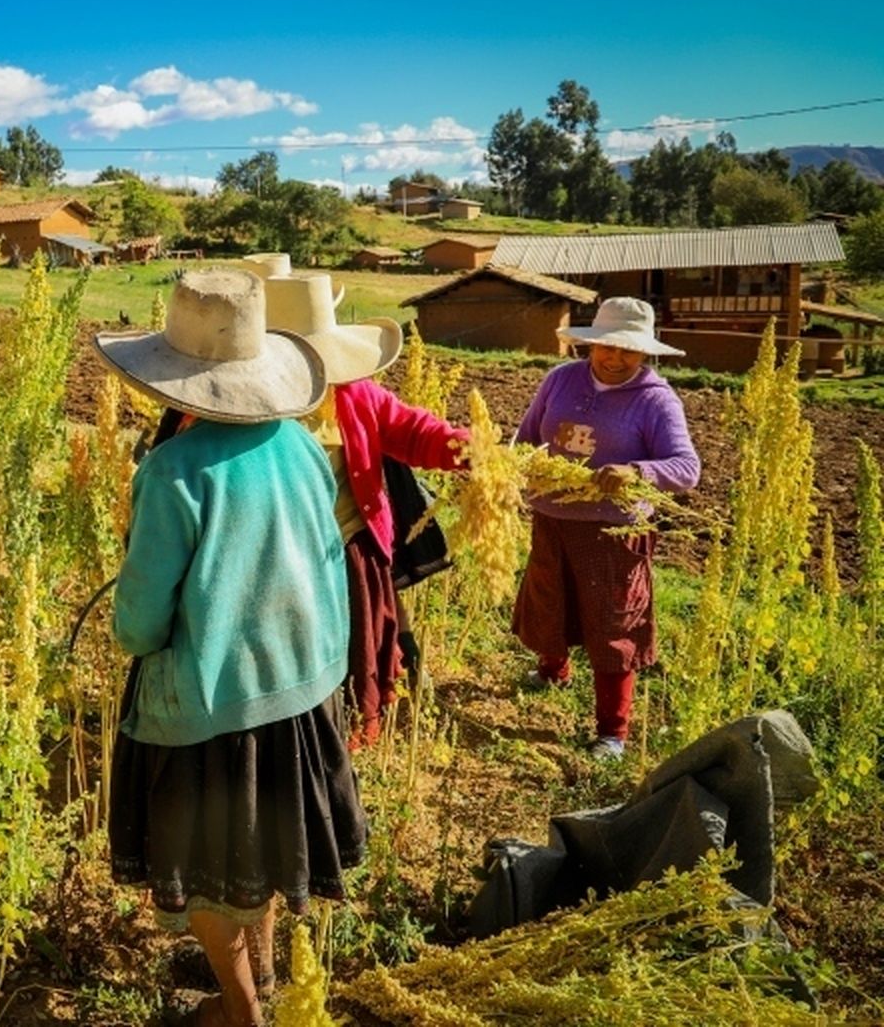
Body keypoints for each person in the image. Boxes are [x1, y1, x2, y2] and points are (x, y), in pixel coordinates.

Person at [98, 268, 367, 1027]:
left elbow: (139, 622)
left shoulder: (173, 472)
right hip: (302, 690)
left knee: (205, 876)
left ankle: (240, 1010)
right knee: (261, 857)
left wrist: (133, 629)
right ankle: (265, 979)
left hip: (211, 706)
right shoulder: (301, 444)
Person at [263, 271, 468, 749]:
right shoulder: (248, 402)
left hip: (347, 548)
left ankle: (341, 743)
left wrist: (467, 448)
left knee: (353, 654)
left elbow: (412, 430)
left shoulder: (354, 394)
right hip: (276, 562)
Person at [513, 297, 701, 761]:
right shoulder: (561, 379)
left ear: (644, 353)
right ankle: (552, 671)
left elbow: (686, 467)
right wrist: (513, 468)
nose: (616, 358)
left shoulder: (656, 400)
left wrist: (637, 472)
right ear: (591, 344)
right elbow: (528, 437)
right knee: (550, 599)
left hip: (614, 533)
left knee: (614, 623)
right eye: (607, 347)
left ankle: (612, 731)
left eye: (629, 350)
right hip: (552, 518)